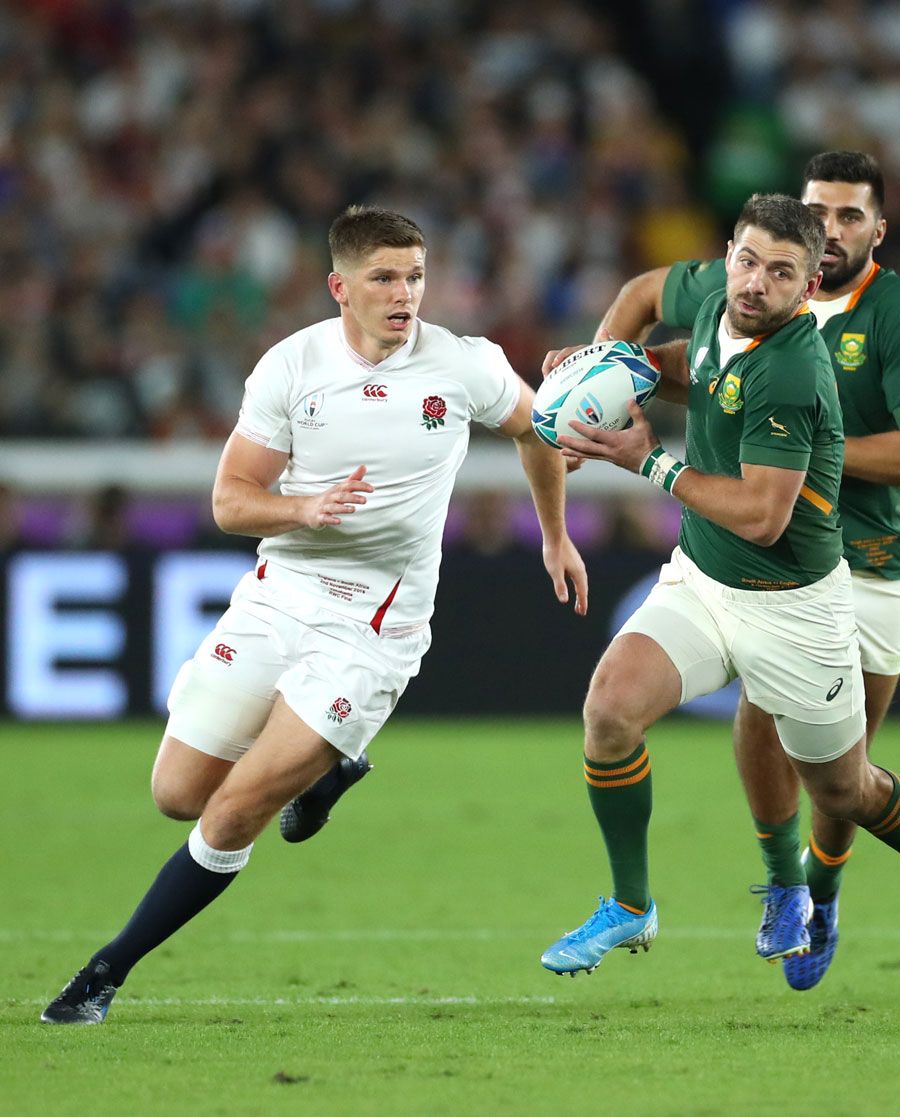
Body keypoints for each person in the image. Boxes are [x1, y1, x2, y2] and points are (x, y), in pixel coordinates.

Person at [40, 205, 588, 1024]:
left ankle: (103, 973)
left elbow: (537, 431)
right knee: (178, 793)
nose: (405, 294)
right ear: (340, 287)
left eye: (416, 276)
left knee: (234, 812)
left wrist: (554, 535)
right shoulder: (291, 367)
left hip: (372, 629)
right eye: (384, 278)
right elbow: (230, 500)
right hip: (279, 596)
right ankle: (328, 769)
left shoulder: (462, 364)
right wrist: (304, 508)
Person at [537, 193, 900, 983]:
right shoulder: (719, 300)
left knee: (842, 788)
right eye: (746, 261)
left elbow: (764, 516)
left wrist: (647, 460)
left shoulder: (793, 370)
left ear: (808, 287)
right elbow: (685, 356)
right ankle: (633, 903)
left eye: (780, 272)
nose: (755, 282)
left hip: (794, 604)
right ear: (729, 255)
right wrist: (607, 369)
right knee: (609, 712)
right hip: (702, 581)